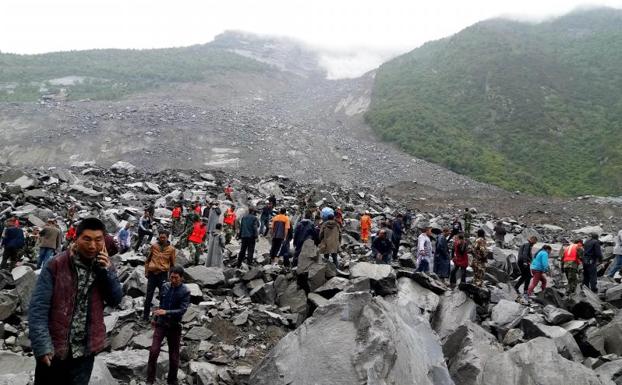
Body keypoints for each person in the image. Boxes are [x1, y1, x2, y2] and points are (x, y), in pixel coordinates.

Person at [29, 217, 122, 385]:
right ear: (76, 238)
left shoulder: (105, 266)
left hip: (85, 353)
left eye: (98, 240)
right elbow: (38, 308)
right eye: (87, 239)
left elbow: (115, 300)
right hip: (54, 350)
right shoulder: (56, 264)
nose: (92, 246)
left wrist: (106, 272)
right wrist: (42, 345)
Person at [146, 266, 190, 385]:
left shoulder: (185, 291)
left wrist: (166, 312)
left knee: (174, 355)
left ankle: (172, 380)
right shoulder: (165, 287)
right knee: (153, 351)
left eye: (176, 278)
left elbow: (182, 310)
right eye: (171, 277)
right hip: (161, 324)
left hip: (175, 326)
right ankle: (150, 380)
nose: (173, 280)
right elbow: (161, 304)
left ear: (181, 278)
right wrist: (155, 318)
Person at [143, 230, 176, 322]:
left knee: (163, 296)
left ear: (167, 238)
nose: (161, 239)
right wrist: (146, 272)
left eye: (163, 237)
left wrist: (171, 278)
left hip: (163, 275)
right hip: (152, 274)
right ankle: (145, 316)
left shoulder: (171, 249)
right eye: (160, 237)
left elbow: (172, 265)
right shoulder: (154, 246)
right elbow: (147, 260)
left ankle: (160, 317)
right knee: (148, 296)